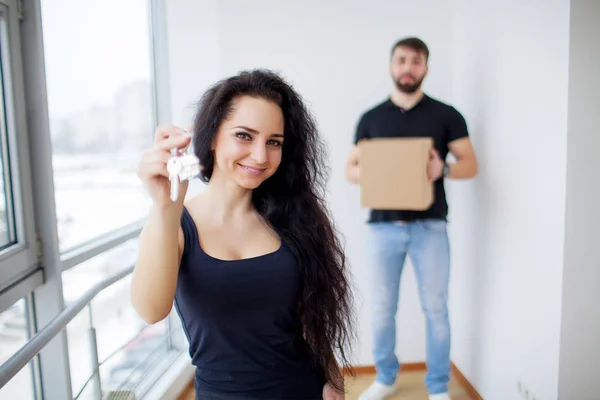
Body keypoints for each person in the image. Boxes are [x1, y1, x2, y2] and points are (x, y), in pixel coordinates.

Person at [132, 69, 355, 400]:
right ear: (211, 136)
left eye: (274, 142)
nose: (261, 156)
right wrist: (165, 205)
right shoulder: (174, 222)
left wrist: (331, 377)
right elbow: (151, 310)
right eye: (244, 136)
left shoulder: (294, 218)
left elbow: (314, 314)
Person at [345, 38, 478, 400]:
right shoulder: (371, 118)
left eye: (416, 61)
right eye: (402, 60)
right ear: (391, 66)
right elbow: (351, 170)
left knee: (436, 309)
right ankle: (386, 377)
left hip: (430, 227)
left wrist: (443, 168)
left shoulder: (446, 115)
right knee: (382, 310)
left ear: (426, 69)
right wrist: (379, 168)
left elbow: (471, 164)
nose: (408, 67)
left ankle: (437, 387)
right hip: (383, 227)